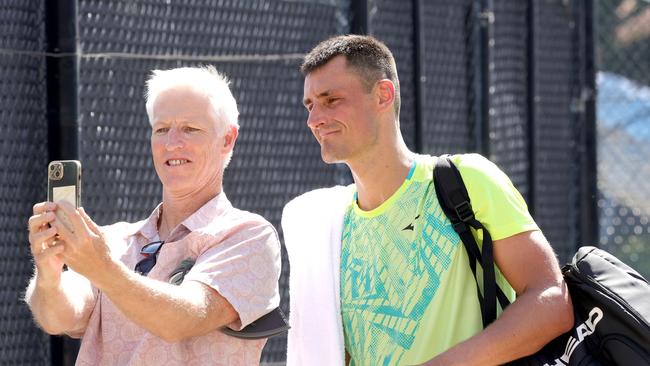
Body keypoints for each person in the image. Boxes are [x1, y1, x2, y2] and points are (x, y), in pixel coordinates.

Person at [282, 35, 574, 366]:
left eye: (330, 99)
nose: (314, 119)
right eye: (309, 105)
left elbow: (551, 301)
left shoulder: (467, 180)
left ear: (383, 94)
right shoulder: (326, 225)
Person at [25, 66, 281, 365]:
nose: (172, 143)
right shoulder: (114, 240)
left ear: (227, 139)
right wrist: (49, 273)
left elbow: (182, 319)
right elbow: (59, 319)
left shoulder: (247, 235)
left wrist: (103, 268)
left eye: (190, 128)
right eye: (161, 129)